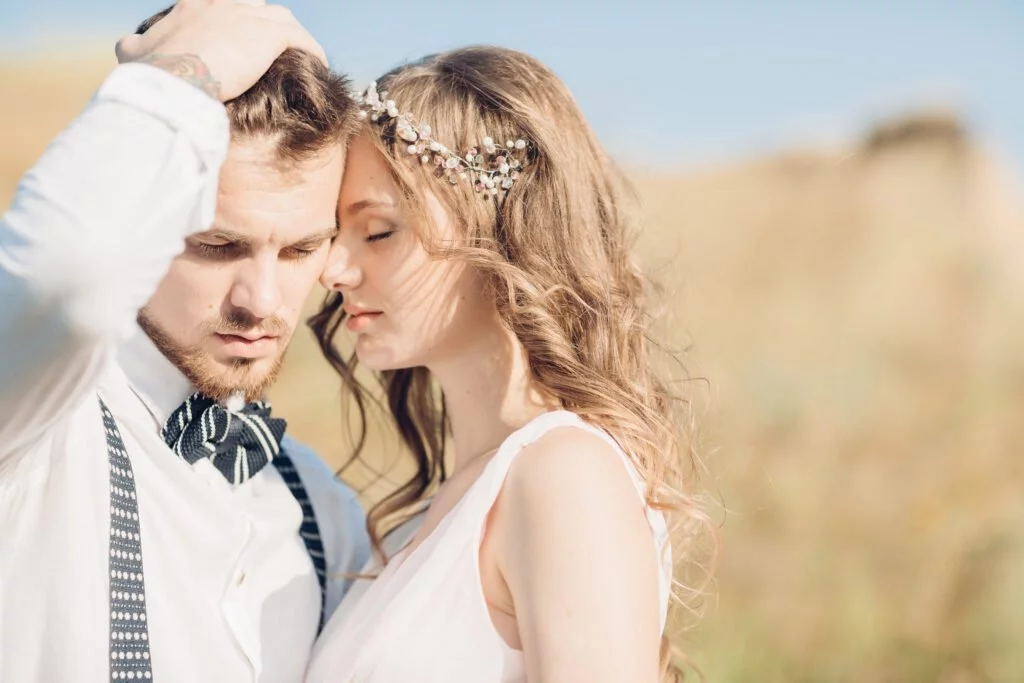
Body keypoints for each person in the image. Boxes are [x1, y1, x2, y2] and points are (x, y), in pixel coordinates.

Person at [305, 46, 711, 683]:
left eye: (378, 231)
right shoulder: (449, 505)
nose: (332, 270)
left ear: (497, 230)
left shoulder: (564, 476)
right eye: (335, 234)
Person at [0, 2, 368, 681]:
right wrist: (179, 75)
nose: (260, 301)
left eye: (300, 250)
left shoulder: (324, 507)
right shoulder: (35, 420)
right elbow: (63, 272)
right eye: (217, 245)